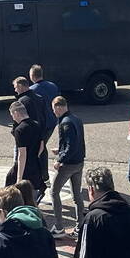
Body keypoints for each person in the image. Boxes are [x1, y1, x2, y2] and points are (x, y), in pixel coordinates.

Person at [50, 96, 85, 237]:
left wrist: (60, 159)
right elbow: (77, 142)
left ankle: (59, 227)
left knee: (54, 192)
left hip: (68, 164)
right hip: (79, 162)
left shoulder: (65, 123)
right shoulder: (76, 118)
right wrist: (60, 149)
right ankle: (80, 226)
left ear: (58, 107)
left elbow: (71, 145)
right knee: (77, 195)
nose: (54, 113)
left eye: (54, 110)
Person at [6, 100, 45, 201]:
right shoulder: (37, 124)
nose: (13, 118)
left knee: (9, 187)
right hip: (35, 163)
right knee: (31, 191)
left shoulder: (19, 130)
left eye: (12, 115)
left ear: (16, 113)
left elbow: (22, 154)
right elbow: (41, 146)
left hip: (24, 166)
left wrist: (19, 177)